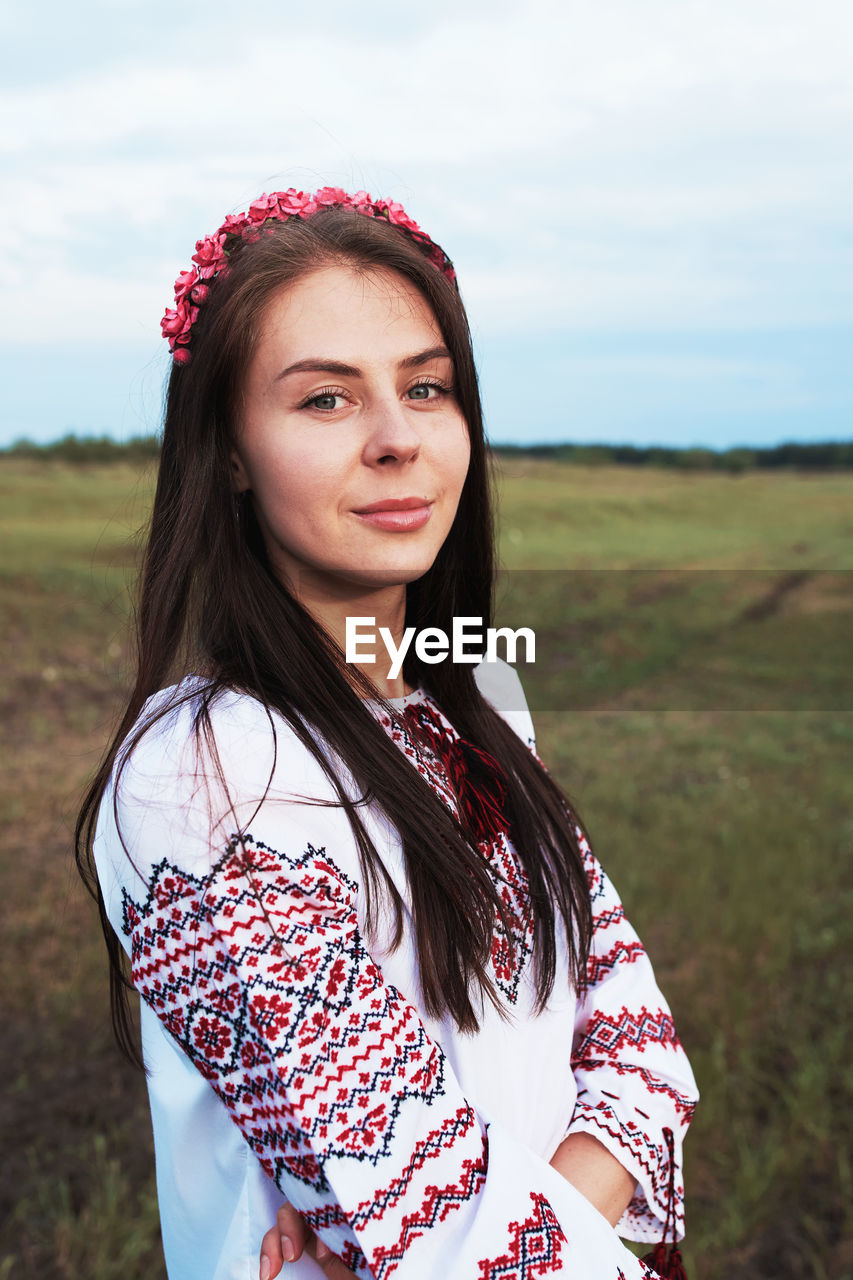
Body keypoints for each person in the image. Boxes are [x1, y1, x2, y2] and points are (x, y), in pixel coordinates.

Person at [76, 186, 699, 1280]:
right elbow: (443, 1243)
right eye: (325, 400)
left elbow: (642, 1043)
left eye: (426, 386)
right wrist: (513, 1196)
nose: (398, 438)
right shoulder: (210, 769)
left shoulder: (481, 691)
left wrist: (506, 1199)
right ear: (227, 448)